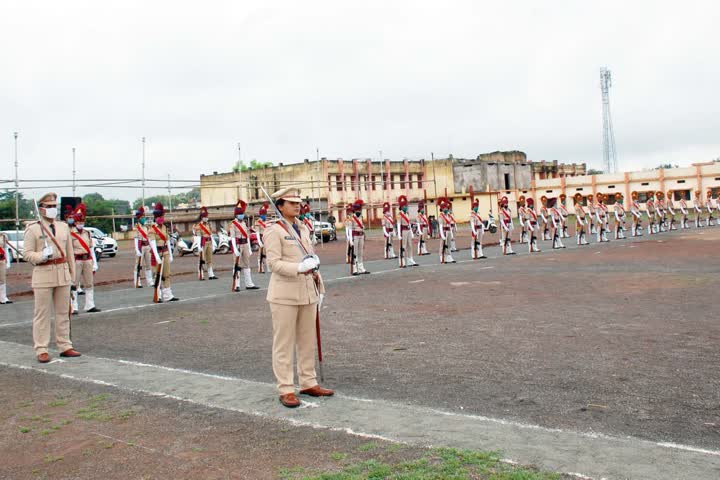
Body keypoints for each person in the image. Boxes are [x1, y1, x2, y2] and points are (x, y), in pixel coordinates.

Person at [264, 187, 332, 408]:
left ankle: (308, 382)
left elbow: (311, 259)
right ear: (280, 205)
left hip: (307, 292)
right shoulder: (274, 230)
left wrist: (320, 288)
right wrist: (299, 267)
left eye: (298, 202)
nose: (297, 205)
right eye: (291, 202)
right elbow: (273, 264)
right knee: (284, 343)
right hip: (284, 294)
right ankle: (285, 388)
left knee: (306, 340)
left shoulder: (301, 228)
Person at [23, 192, 81, 363]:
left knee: (63, 312)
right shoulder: (33, 229)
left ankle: (65, 345)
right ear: (41, 209)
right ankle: (41, 348)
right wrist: (41, 255)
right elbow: (27, 254)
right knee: (42, 313)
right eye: (49, 207)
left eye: (54, 206)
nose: (52, 209)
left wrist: (72, 276)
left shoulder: (63, 227)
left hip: (62, 272)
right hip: (43, 273)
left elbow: (69, 253)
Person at [69, 203, 101, 314]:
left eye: (82, 222)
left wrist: (94, 263)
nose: (81, 224)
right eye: (79, 222)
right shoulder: (71, 234)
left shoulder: (87, 233)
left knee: (89, 283)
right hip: (76, 260)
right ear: (75, 222)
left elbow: (91, 248)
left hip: (87, 260)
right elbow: (68, 250)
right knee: (74, 284)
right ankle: (74, 307)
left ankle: (90, 305)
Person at [149, 202, 179, 303]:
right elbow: (152, 243)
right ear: (155, 217)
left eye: (162, 216)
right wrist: (157, 256)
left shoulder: (165, 227)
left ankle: (168, 294)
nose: (161, 218)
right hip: (157, 252)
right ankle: (158, 295)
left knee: (167, 274)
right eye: (159, 216)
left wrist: (170, 254)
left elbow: (167, 241)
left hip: (165, 252)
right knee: (157, 275)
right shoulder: (152, 229)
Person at [229, 199, 259, 291]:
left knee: (247, 264)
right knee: (236, 265)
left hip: (245, 244)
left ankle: (249, 284)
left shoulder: (244, 223)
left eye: (242, 213)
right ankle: (236, 285)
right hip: (238, 245)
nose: (241, 215)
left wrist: (249, 248)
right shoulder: (233, 224)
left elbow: (247, 236)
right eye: (239, 214)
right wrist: (235, 249)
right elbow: (232, 238)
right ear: (236, 215)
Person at [192, 206, 218, 280]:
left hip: (209, 242)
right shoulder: (198, 226)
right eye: (205, 217)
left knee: (209, 259)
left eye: (207, 216)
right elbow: (198, 237)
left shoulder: (208, 224)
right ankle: (201, 274)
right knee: (201, 259)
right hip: (203, 243)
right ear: (202, 217)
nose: (206, 218)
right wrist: (199, 247)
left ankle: (211, 274)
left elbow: (211, 234)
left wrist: (213, 244)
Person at [132, 207, 154, 288]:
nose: (143, 218)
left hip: (147, 245)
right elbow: (135, 239)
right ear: (139, 218)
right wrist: (137, 249)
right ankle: (137, 282)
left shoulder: (146, 226)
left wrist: (151, 246)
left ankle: (150, 281)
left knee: (148, 264)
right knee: (138, 265)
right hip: (140, 246)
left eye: (144, 216)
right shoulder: (136, 227)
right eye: (142, 217)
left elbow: (148, 236)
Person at [397, 195, 417, 267]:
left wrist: (411, 232)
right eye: (404, 206)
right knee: (403, 246)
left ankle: (410, 259)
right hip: (403, 231)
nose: (406, 207)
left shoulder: (407, 214)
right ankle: (402, 261)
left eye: (406, 205)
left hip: (408, 230)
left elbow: (409, 223)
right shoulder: (399, 215)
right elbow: (398, 225)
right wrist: (399, 235)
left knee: (410, 246)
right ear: (401, 207)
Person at [350, 199, 369, 274]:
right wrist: (350, 240)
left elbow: (362, 226)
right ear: (355, 210)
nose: (359, 211)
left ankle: (361, 268)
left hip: (361, 236)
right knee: (355, 253)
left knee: (361, 252)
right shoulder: (351, 218)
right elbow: (350, 230)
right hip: (355, 236)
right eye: (358, 210)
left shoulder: (361, 217)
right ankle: (355, 268)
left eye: (360, 210)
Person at [438, 198, 456, 262]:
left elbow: (450, 225)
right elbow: (440, 226)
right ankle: (441, 257)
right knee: (442, 245)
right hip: (444, 231)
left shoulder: (448, 215)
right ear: (442, 208)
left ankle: (449, 256)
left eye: (446, 207)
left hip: (448, 231)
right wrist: (442, 235)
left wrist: (451, 233)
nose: (446, 209)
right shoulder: (441, 216)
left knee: (448, 244)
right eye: (444, 207)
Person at [255, 202, 269, 273]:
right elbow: (257, 232)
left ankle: (268, 267)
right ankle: (260, 268)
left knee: (266, 253)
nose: (264, 216)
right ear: (260, 214)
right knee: (260, 254)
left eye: (265, 214)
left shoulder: (266, 222)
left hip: (266, 238)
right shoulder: (258, 222)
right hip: (261, 238)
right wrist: (259, 241)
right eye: (263, 214)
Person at [0, 231, 13, 304]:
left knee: (2, 280)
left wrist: (7, 262)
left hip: (1, 261)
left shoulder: (3, 236)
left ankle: (3, 298)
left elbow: (5, 249)